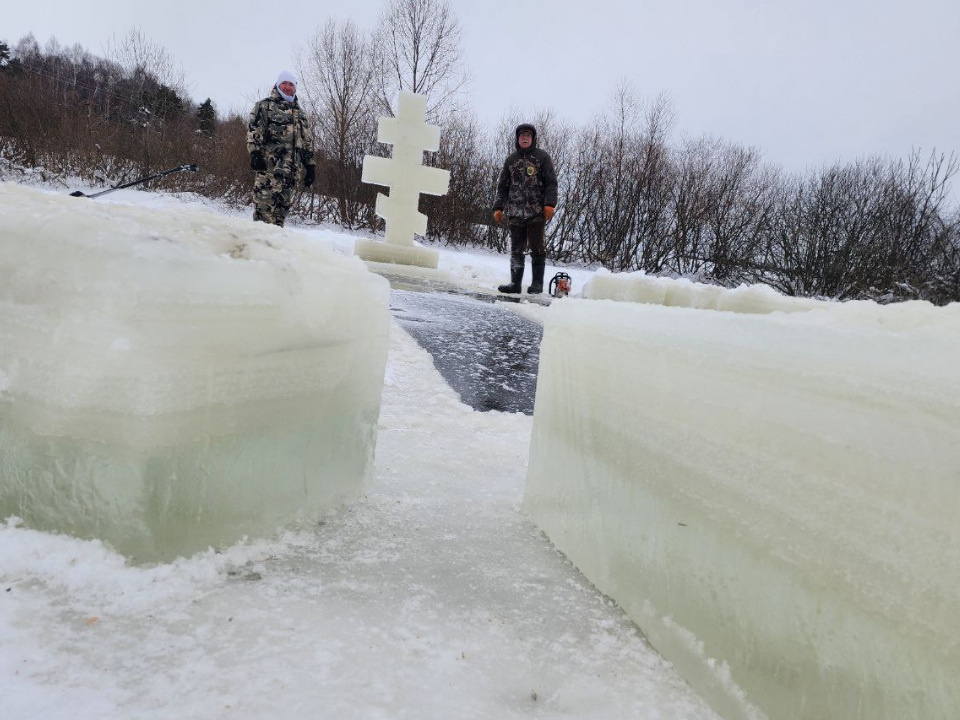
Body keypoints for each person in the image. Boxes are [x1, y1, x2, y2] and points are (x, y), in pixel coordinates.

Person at [493, 124, 558, 294]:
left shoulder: (542, 157)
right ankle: (515, 284)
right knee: (516, 249)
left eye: (528, 135)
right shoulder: (511, 160)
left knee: (537, 247)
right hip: (515, 212)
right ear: (517, 138)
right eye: (522, 134)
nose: (525, 137)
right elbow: (502, 186)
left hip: (536, 211)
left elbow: (551, 183)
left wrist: (549, 204)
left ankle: (537, 284)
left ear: (533, 138)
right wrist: (498, 207)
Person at [246, 71, 316, 227]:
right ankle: (258, 250)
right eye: (284, 83)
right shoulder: (265, 106)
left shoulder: (301, 115)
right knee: (263, 222)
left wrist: (310, 166)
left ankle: (273, 251)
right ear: (277, 85)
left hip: (290, 178)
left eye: (291, 84)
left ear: (295, 88)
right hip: (269, 175)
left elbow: (306, 143)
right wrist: (255, 153)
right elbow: (254, 130)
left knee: (278, 223)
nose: (287, 87)